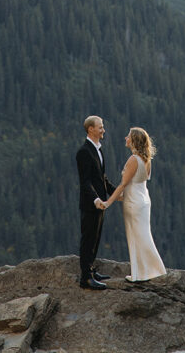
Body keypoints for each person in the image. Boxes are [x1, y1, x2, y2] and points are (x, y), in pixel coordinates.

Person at [100, 126, 166, 282]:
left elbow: (123, 185)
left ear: (134, 140)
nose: (125, 138)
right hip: (143, 199)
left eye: (128, 136)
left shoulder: (133, 159)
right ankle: (146, 271)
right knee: (143, 234)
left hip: (133, 201)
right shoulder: (146, 159)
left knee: (136, 235)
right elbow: (139, 183)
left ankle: (142, 273)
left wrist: (108, 202)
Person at [76, 114, 116, 289]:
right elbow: (85, 181)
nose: (103, 130)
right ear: (91, 129)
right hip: (91, 204)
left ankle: (91, 270)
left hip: (100, 203)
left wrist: (116, 193)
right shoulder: (84, 152)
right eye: (100, 127)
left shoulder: (98, 150)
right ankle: (85, 278)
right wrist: (96, 199)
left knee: (96, 238)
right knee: (88, 240)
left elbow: (102, 178)